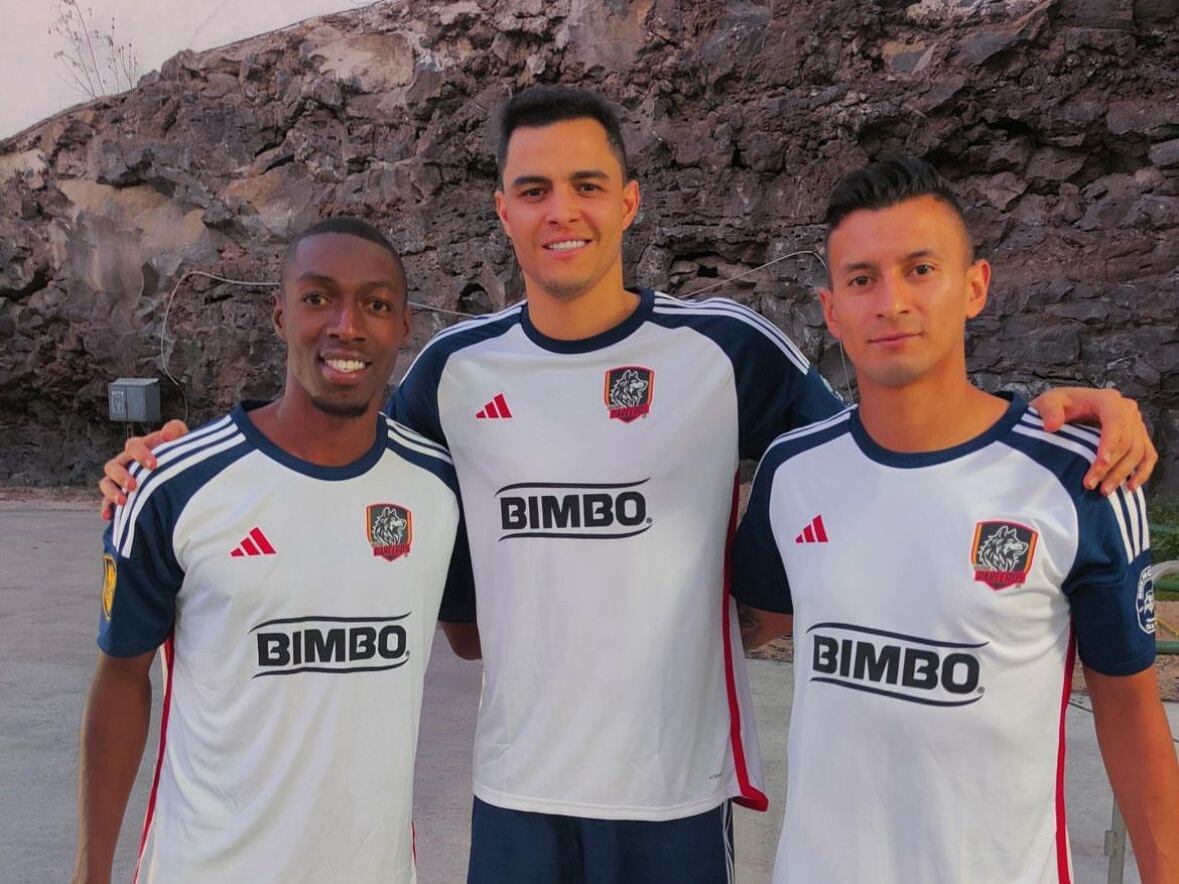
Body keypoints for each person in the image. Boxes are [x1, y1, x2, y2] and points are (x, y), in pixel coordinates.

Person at [99, 88, 1158, 882]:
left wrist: (1049, 413)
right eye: (533, 189)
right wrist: (181, 453)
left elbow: (895, 436)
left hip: (675, 796)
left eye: (586, 185)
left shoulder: (724, 348)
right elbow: (339, 440)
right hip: (515, 790)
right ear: (503, 211)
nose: (561, 210)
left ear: (629, 202)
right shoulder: (455, 369)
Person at [732, 156, 1179, 884]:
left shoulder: (1080, 475)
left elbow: (1130, 710)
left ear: (974, 286)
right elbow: (750, 621)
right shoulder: (792, 469)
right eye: (862, 279)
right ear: (831, 311)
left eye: (920, 270)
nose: (891, 302)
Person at [73, 218, 472, 884]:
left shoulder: (439, 485)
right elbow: (121, 678)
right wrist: (90, 873)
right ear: (280, 314)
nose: (347, 325)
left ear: (404, 326)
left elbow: (481, 633)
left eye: (376, 304)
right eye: (318, 298)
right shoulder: (173, 485)